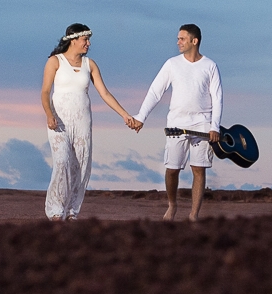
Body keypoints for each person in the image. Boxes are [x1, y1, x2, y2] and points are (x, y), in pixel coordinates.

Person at [40, 23, 137, 221]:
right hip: (59, 121)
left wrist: (125, 115)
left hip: (83, 121)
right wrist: (49, 114)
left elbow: (105, 93)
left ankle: (71, 211)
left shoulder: (90, 64)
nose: (88, 43)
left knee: (81, 165)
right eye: (85, 40)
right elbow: (45, 91)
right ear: (73, 40)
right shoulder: (55, 61)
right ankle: (55, 210)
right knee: (62, 162)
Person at [130, 24, 222, 221]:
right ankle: (172, 205)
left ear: (194, 41)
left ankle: (193, 215)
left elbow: (217, 98)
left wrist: (215, 126)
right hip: (176, 124)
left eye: (182, 39)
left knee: (199, 169)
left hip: (202, 124)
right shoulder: (172, 64)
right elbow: (156, 91)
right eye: (178, 39)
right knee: (172, 170)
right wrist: (141, 117)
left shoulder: (210, 66)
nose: (178, 42)